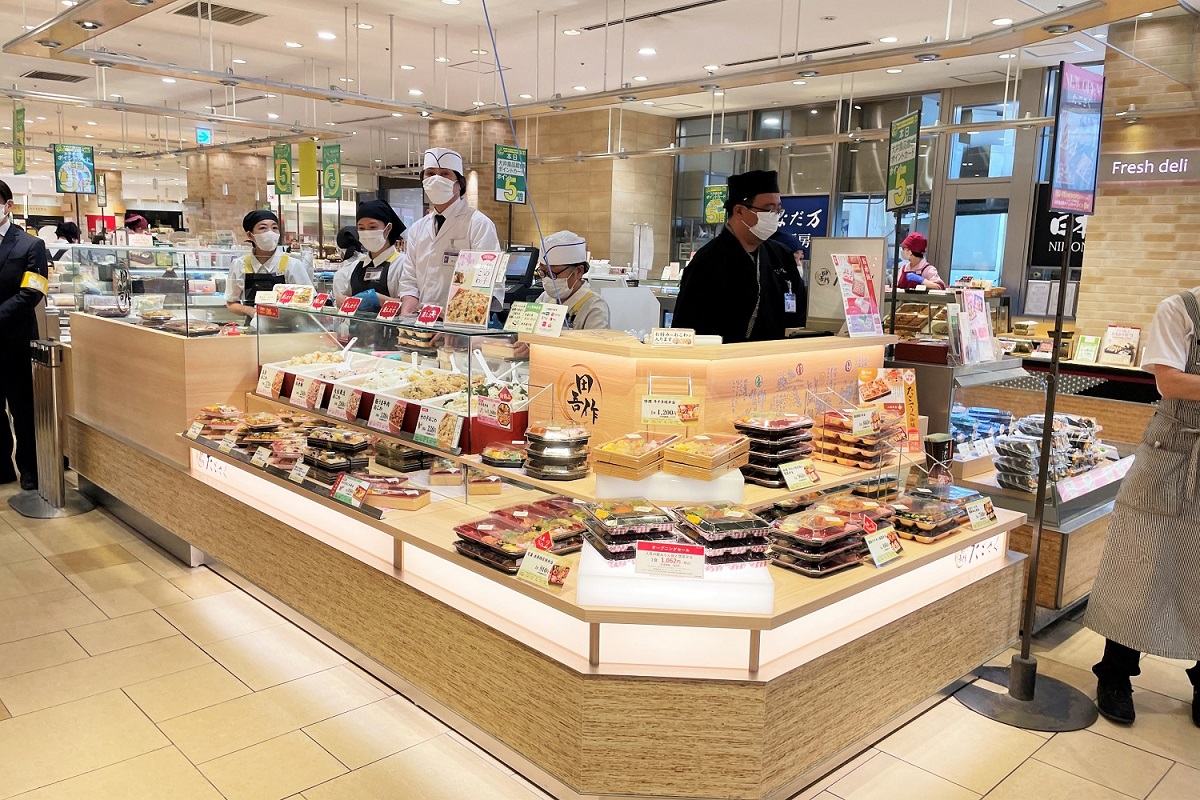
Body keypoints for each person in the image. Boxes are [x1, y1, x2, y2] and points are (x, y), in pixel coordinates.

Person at [1085, 287, 1200, 728]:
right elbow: (1169, 382)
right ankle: (1115, 673)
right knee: (1141, 562)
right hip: (1172, 451)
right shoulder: (1181, 309)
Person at [672, 169, 806, 343]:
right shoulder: (707, 261)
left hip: (776, 354)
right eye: (768, 210)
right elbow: (686, 326)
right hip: (724, 354)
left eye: (778, 210)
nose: (774, 216)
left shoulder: (781, 255)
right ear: (740, 211)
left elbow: (800, 308)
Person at [398, 147, 501, 315]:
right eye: (430, 174)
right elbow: (409, 279)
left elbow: (486, 280)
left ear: (460, 183)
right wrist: (407, 314)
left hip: (461, 322)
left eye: (445, 174)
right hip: (421, 320)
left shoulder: (479, 224)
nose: (436, 179)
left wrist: (454, 316)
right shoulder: (417, 229)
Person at [0, 179, 49, 490]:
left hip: (15, 340)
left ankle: (30, 468)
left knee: (23, 408)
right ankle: (2, 467)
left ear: (8, 205)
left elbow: (33, 291)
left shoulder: (30, 245)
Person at [224, 209, 312, 320]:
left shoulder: (292, 264)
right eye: (263, 228)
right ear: (250, 235)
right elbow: (231, 303)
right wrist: (250, 311)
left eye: (274, 228)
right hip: (254, 327)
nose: (270, 232)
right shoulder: (239, 265)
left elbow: (309, 299)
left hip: (289, 326)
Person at [332, 201, 409, 311]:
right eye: (361, 228)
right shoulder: (355, 266)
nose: (367, 232)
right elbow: (347, 297)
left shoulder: (402, 264)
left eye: (372, 227)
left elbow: (411, 307)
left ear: (388, 229)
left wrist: (379, 299)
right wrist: (341, 300)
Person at [532, 230, 610, 330]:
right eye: (543, 271)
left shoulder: (594, 306)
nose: (547, 278)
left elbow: (597, 339)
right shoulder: (545, 298)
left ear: (578, 272)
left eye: (554, 273)